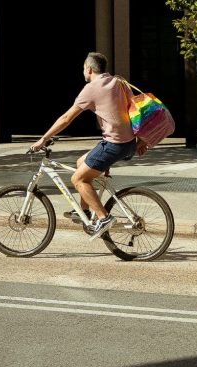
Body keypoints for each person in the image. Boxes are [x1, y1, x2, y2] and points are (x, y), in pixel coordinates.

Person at [31, 52, 147, 240]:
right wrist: (141, 140)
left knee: (78, 180)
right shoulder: (119, 82)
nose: (83, 71)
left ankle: (103, 217)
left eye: (83, 68)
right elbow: (135, 111)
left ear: (89, 69)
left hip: (113, 144)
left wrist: (43, 138)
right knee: (81, 162)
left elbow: (67, 118)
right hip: (128, 143)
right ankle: (83, 212)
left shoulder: (91, 88)